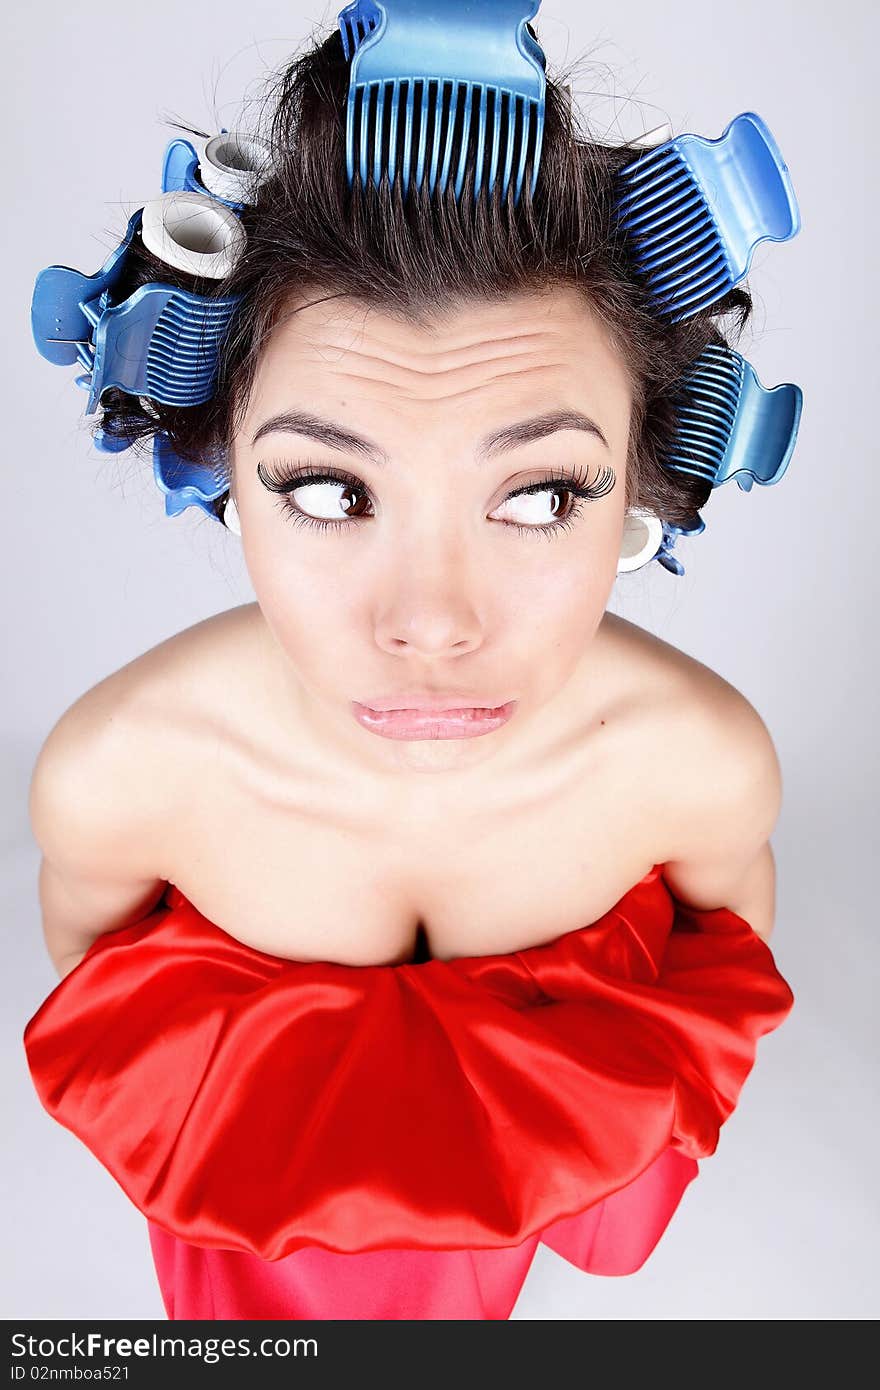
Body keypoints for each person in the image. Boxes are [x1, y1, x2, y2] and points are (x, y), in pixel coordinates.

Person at [22, 5, 796, 1321]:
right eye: (328, 491)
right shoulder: (118, 779)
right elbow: (110, 1021)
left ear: (646, 488)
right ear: (221, 468)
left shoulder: (703, 769)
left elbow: (709, 1000)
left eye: (544, 496)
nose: (431, 625)